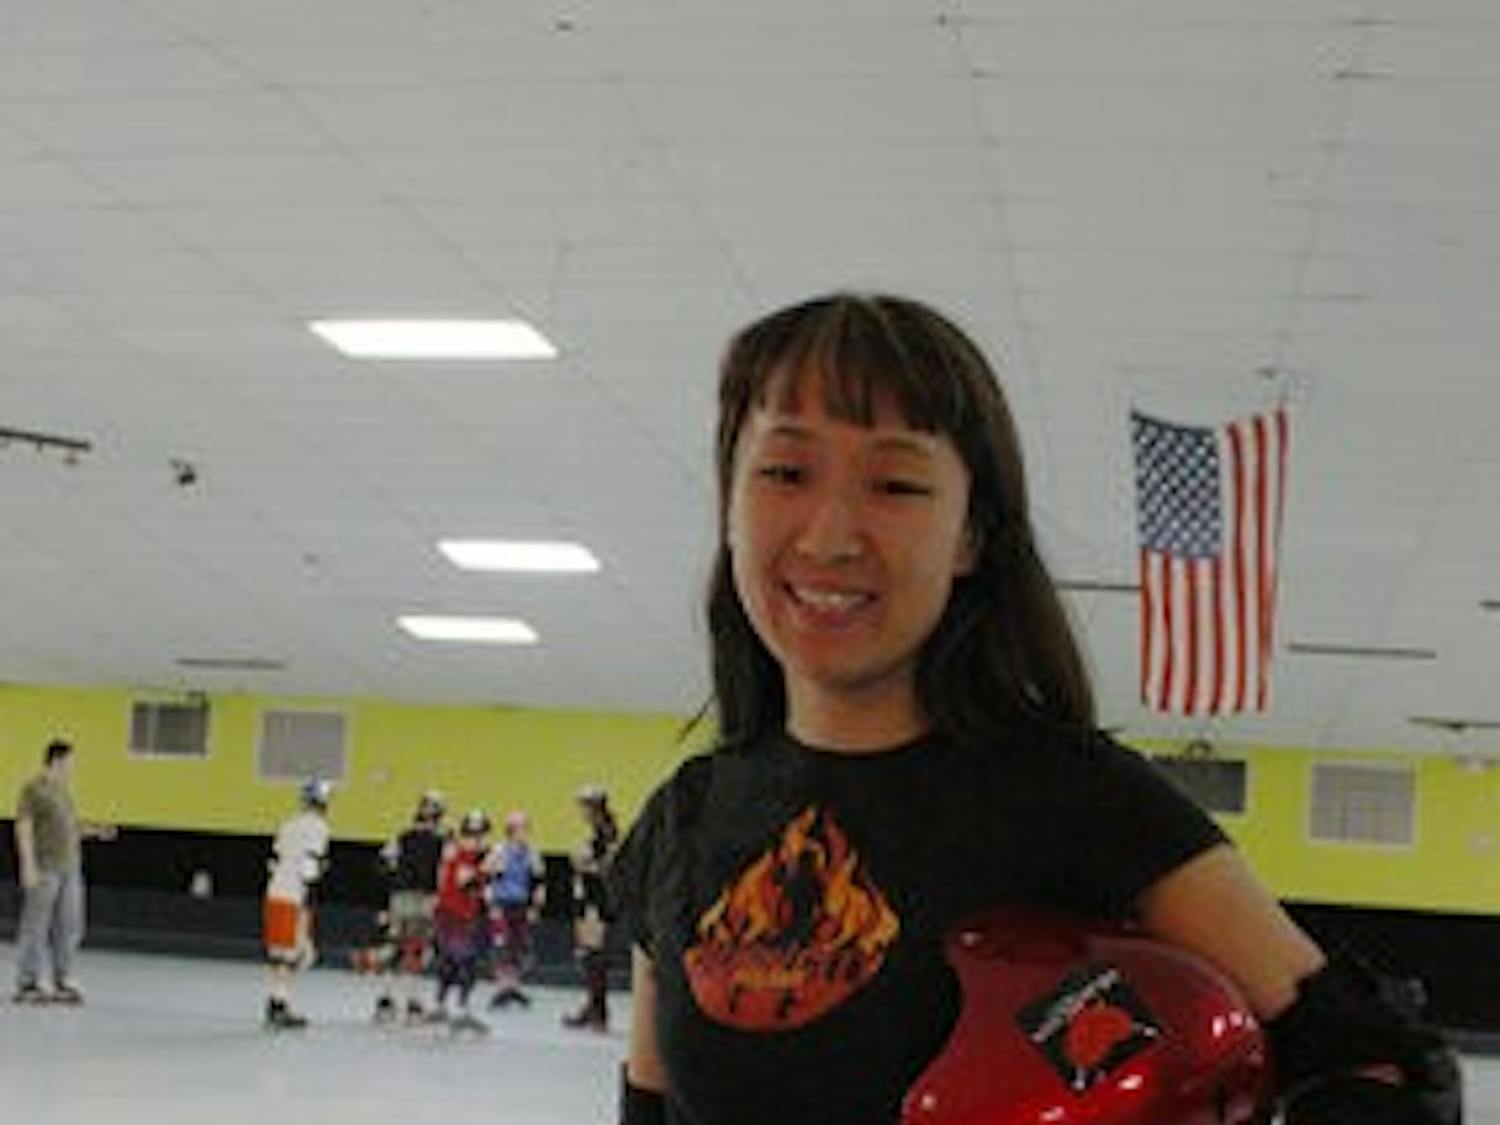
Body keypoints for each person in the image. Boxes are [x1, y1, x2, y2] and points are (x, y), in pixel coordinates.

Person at [609, 293, 1460, 1124]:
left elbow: (1384, 1064)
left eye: (897, 485)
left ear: (972, 535)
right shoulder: (684, 820)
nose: (831, 534)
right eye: (786, 472)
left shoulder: (1076, 798)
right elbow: (649, 1105)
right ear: (730, 504)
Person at [11, 739, 114, 1005]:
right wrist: (28, 864)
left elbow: (70, 827)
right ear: (56, 760)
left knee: (69, 925)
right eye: (70, 762)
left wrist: (96, 831)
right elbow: (23, 826)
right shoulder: (34, 789)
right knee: (36, 925)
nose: (73, 767)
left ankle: (62, 978)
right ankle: (28, 982)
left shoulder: (64, 792)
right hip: (45, 868)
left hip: (70, 868)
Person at [371, 790, 447, 1024]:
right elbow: (445, 873)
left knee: (395, 948)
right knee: (416, 950)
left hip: (401, 897)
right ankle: (413, 1003)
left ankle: (385, 1000)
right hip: (425, 899)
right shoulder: (443, 839)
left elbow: (383, 864)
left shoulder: (402, 837)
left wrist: (387, 899)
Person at [262, 778, 332, 1030]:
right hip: (295, 894)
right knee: (297, 955)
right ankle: (278, 1005)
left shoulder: (288, 824)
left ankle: (278, 1002)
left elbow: (274, 860)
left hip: (275, 891)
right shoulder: (318, 828)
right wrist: (307, 900)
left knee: (285, 954)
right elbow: (309, 867)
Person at [432, 808, 494, 1034]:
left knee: (451, 961)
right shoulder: (462, 854)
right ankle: (458, 1009)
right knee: (464, 962)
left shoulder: (457, 852)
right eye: (479, 836)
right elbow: (465, 883)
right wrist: (485, 872)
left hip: (455, 914)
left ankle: (442, 1005)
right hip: (455, 916)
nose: (481, 841)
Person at [564, 784, 620, 1031]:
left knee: (594, 955)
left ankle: (599, 1011)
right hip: (589, 898)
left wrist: (585, 863)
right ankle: (593, 1006)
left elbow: (609, 866)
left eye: (585, 806)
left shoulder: (607, 833)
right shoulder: (600, 831)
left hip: (597, 900)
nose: (582, 812)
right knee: (588, 954)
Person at [488, 809, 545, 1010]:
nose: (525, 832)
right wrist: (492, 904)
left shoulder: (531, 853)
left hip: (520, 904)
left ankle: (513, 986)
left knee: (518, 946)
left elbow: (538, 882)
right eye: (521, 828)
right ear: (511, 830)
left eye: (526, 828)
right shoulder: (500, 850)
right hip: (502, 903)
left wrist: (535, 907)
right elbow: (489, 876)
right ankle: (503, 986)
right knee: (501, 945)